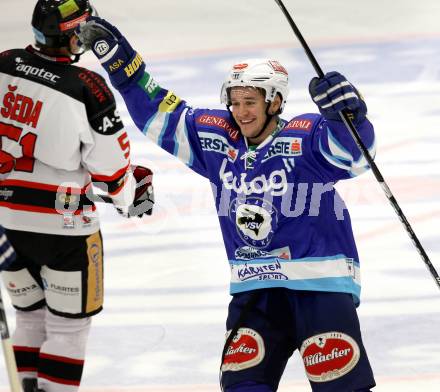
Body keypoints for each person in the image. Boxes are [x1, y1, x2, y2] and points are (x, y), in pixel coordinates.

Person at [76, 16, 377, 392]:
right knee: (240, 384)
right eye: (234, 102)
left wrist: (349, 116)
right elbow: (157, 113)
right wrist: (120, 62)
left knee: (340, 386)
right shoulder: (217, 137)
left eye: (250, 102)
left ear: (276, 101)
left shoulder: (307, 135)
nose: (240, 111)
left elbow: (355, 156)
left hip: (320, 284)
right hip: (255, 287)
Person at [0, 1, 154, 391]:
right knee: (68, 328)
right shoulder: (88, 87)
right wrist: (132, 195)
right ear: (69, 36)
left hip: (5, 226)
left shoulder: (2, 63)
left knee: (29, 318)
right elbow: (112, 175)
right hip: (65, 232)